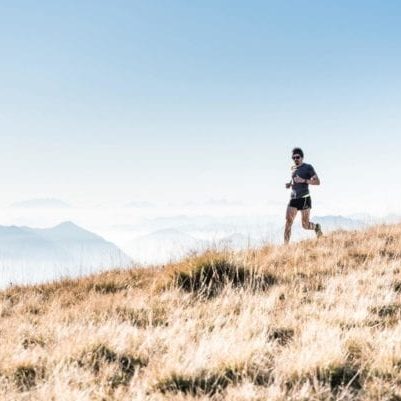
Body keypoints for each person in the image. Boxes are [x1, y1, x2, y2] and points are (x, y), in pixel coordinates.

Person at [284, 147, 322, 244]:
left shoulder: (308, 167)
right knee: (288, 222)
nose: (295, 159)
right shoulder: (292, 168)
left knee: (305, 225)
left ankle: (316, 227)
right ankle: (285, 246)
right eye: (294, 158)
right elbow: (294, 180)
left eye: (297, 157)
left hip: (304, 198)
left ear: (302, 157)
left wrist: (304, 180)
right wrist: (290, 184)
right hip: (293, 198)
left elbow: (317, 182)